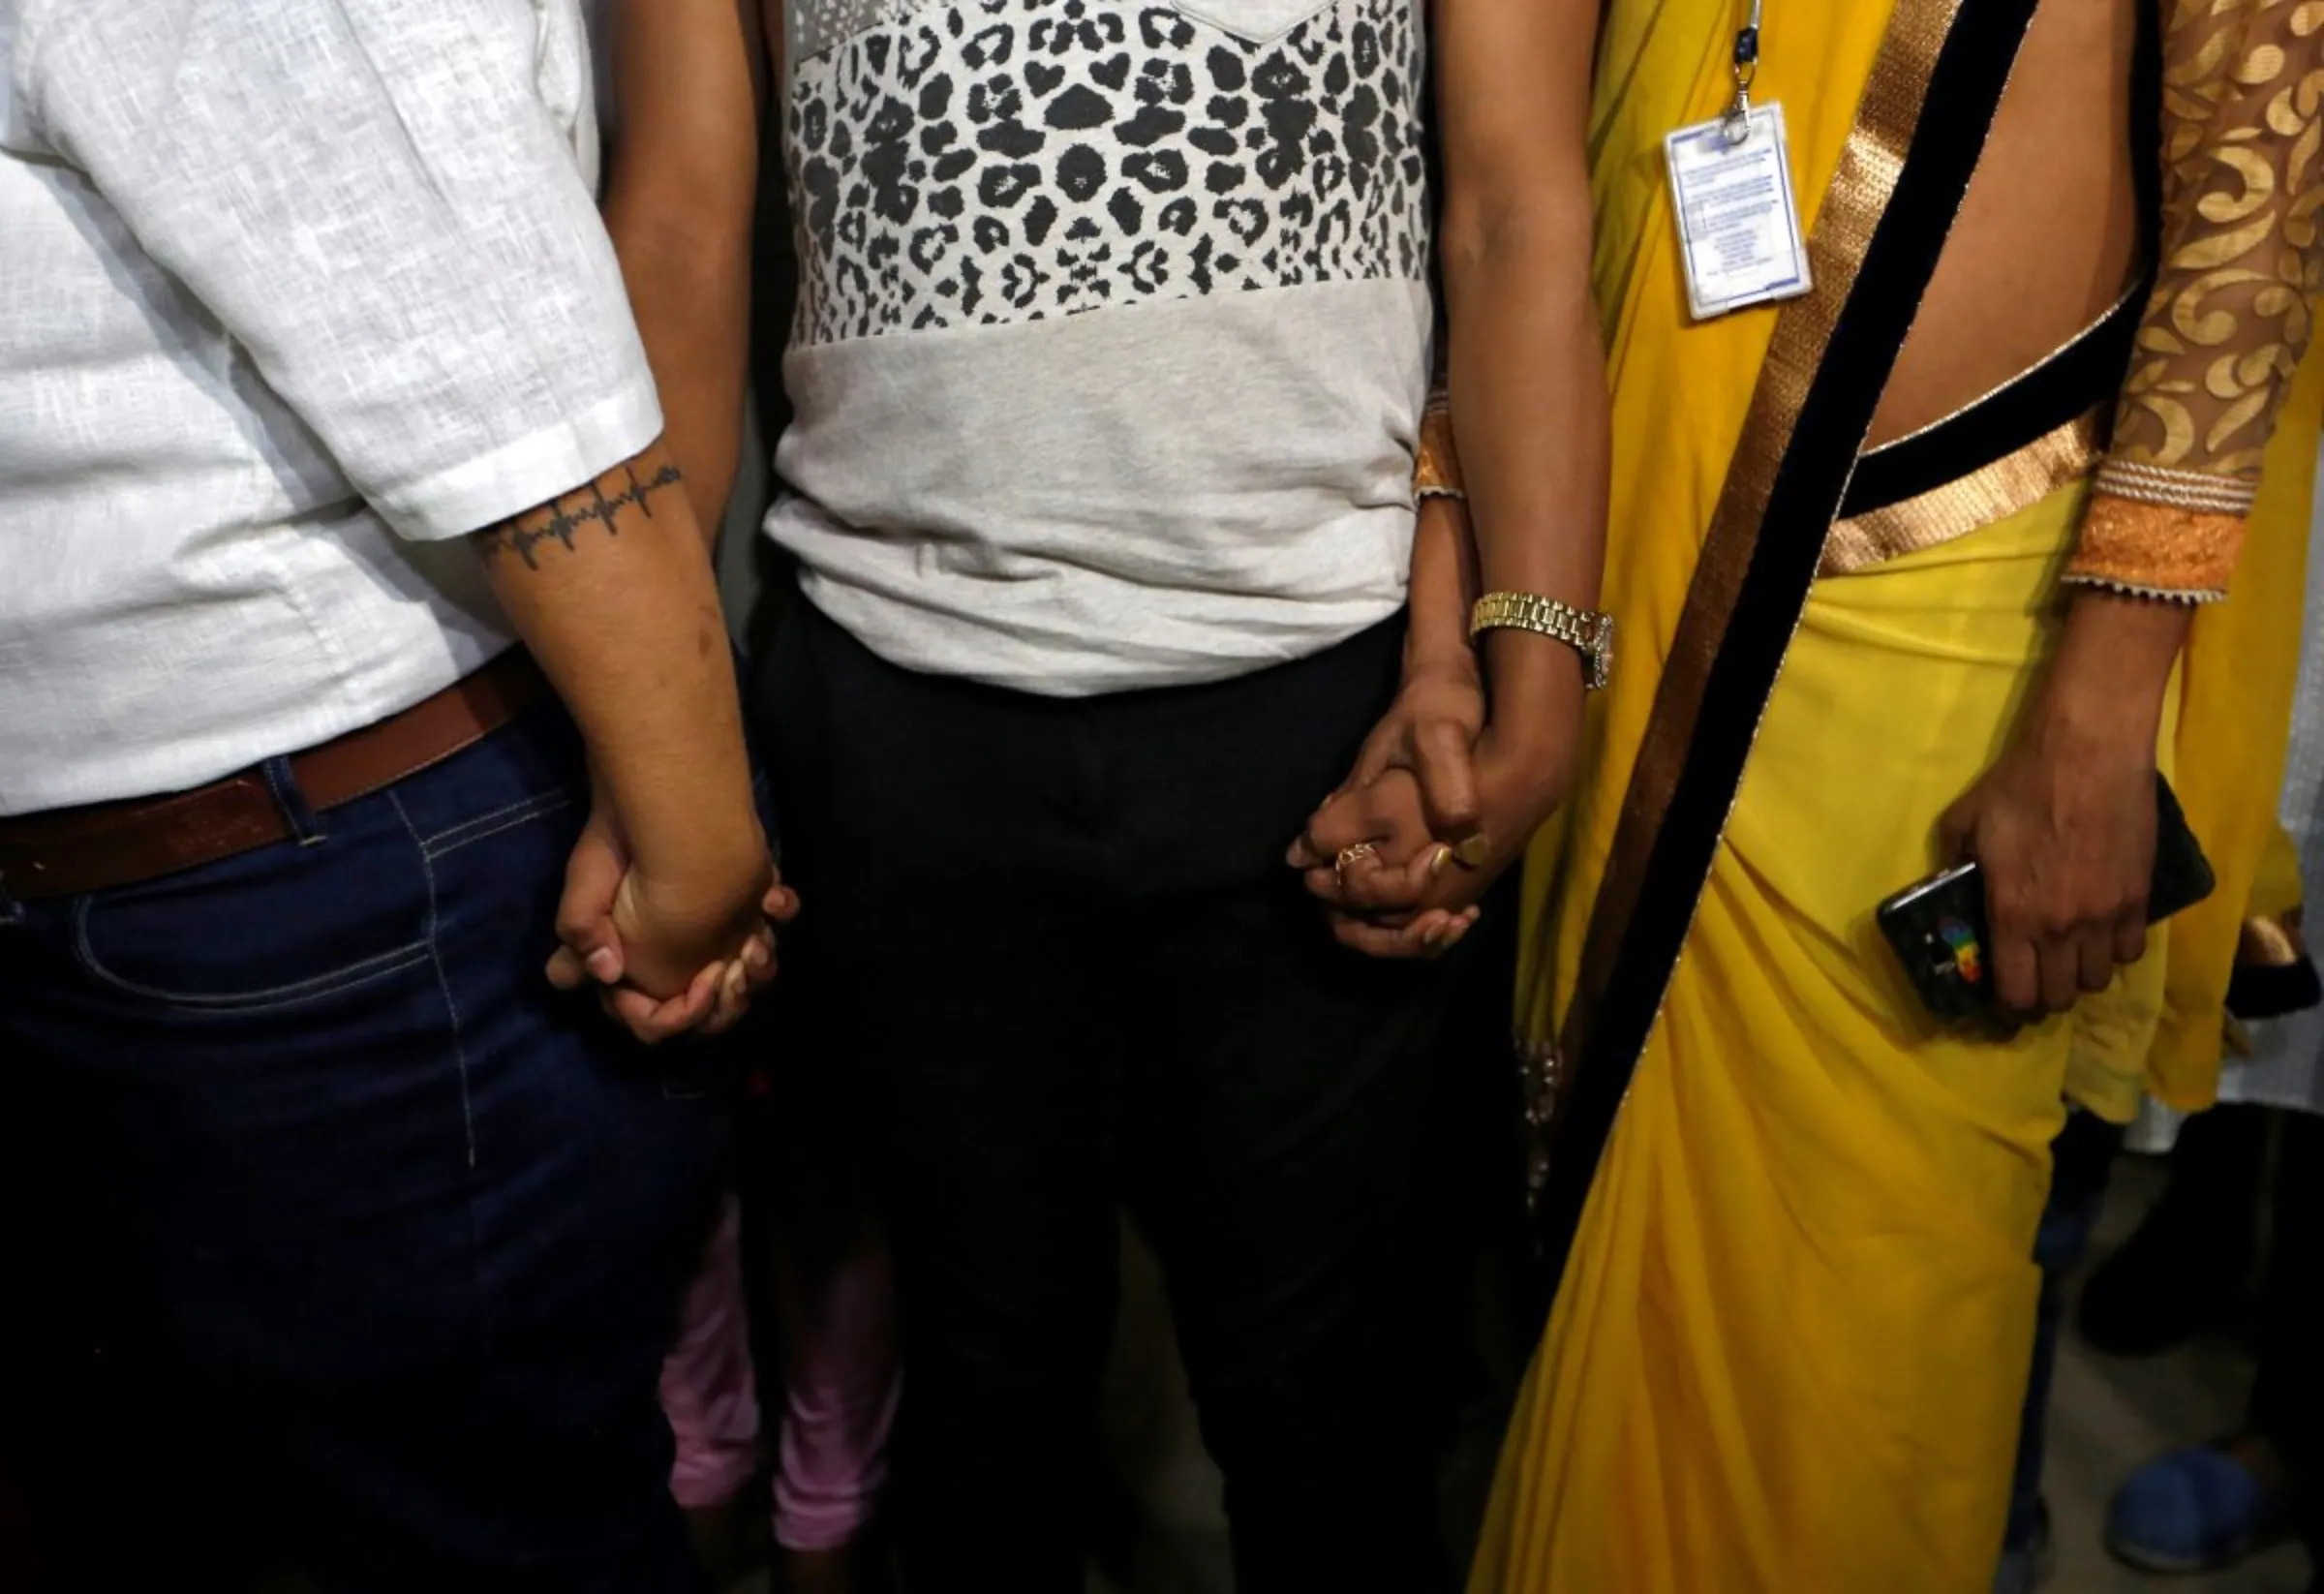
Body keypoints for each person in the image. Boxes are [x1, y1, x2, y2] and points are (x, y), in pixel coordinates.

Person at [1304, 0, 2324, 1588]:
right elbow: (1531, 202)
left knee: (1870, 1357)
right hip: (1620, 610)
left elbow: (2254, 195)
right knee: (1583, 1317)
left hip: (1959, 654)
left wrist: (2099, 719)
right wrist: (1463, 634)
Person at [617, 0, 1601, 1585]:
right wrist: (645, 743)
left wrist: (1534, 678)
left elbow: (1514, 200)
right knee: (981, 1368)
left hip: (1319, 703)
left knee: (1324, 1388)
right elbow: (675, 221)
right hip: (894, 693)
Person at [0, 2, 789, 1586]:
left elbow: (476, 309)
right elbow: (475, 321)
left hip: (292, 877)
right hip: (298, 876)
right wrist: (690, 828)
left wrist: (684, 831)